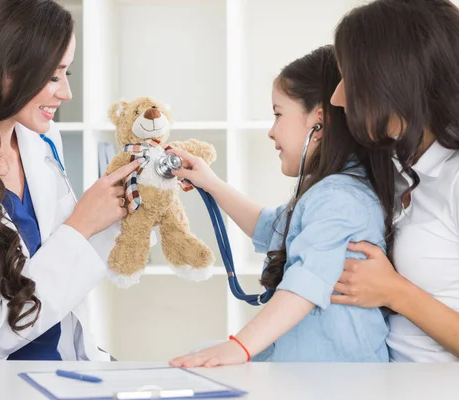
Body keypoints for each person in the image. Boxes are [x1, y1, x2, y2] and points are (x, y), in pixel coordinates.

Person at [0, 0, 140, 360]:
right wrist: (81, 226)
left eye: (68, 74)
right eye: (53, 76)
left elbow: (62, 263)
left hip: (58, 370)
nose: (66, 93)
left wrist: (123, 208)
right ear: (2, 71)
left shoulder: (40, 147)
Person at [168, 45, 395, 367]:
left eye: (277, 114)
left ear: (319, 123)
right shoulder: (334, 191)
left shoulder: (339, 198)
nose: (271, 131)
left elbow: (307, 280)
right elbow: (271, 227)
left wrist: (239, 347)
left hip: (338, 380)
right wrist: (210, 182)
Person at [329, 0, 459, 362]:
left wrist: (395, 292)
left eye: (348, 79)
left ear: (396, 80)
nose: (338, 97)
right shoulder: (414, 169)